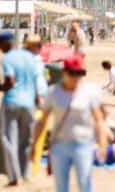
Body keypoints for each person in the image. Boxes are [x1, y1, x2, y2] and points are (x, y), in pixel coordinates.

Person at [35, 55, 109, 192]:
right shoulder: (53, 92)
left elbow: (99, 120)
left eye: (80, 73)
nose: (76, 77)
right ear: (64, 72)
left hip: (83, 145)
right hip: (59, 146)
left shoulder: (89, 92)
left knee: (85, 184)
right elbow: (42, 121)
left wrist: (102, 145)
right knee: (61, 187)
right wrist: (35, 145)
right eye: (72, 73)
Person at [0, 32, 47, 186]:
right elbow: (36, 81)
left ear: (3, 44)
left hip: (12, 102)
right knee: (26, 141)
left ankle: (14, 176)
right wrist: (36, 100)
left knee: (9, 139)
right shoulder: (29, 57)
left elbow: (10, 81)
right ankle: (24, 173)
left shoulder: (7, 58)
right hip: (29, 103)